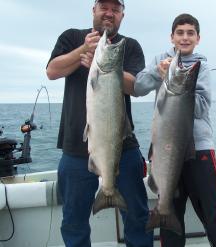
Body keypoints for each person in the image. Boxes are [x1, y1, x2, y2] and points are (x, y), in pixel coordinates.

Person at [46, 0, 153, 246]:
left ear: (122, 15)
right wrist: (81, 51)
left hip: (122, 146)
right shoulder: (72, 37)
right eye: (104, 7)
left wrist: (107, 64)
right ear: (93, 10)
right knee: (73, 220)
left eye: (115, 10)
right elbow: (52, 71)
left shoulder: (130, 46)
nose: (109, 13)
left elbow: (136, 87)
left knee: (137, 216)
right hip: (75, 148)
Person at [125, 13, 216, 247]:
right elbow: (138, 87)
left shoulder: (202, 67)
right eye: (180, 32)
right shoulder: (160, 60)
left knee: (214, 213)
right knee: (170, 214)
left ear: (198, 38)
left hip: (200, 151)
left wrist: (181, 86)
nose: (185, 38)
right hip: (165, 150)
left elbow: (202, 108)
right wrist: (159, 72)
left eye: (190, 33)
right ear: (172, 37)